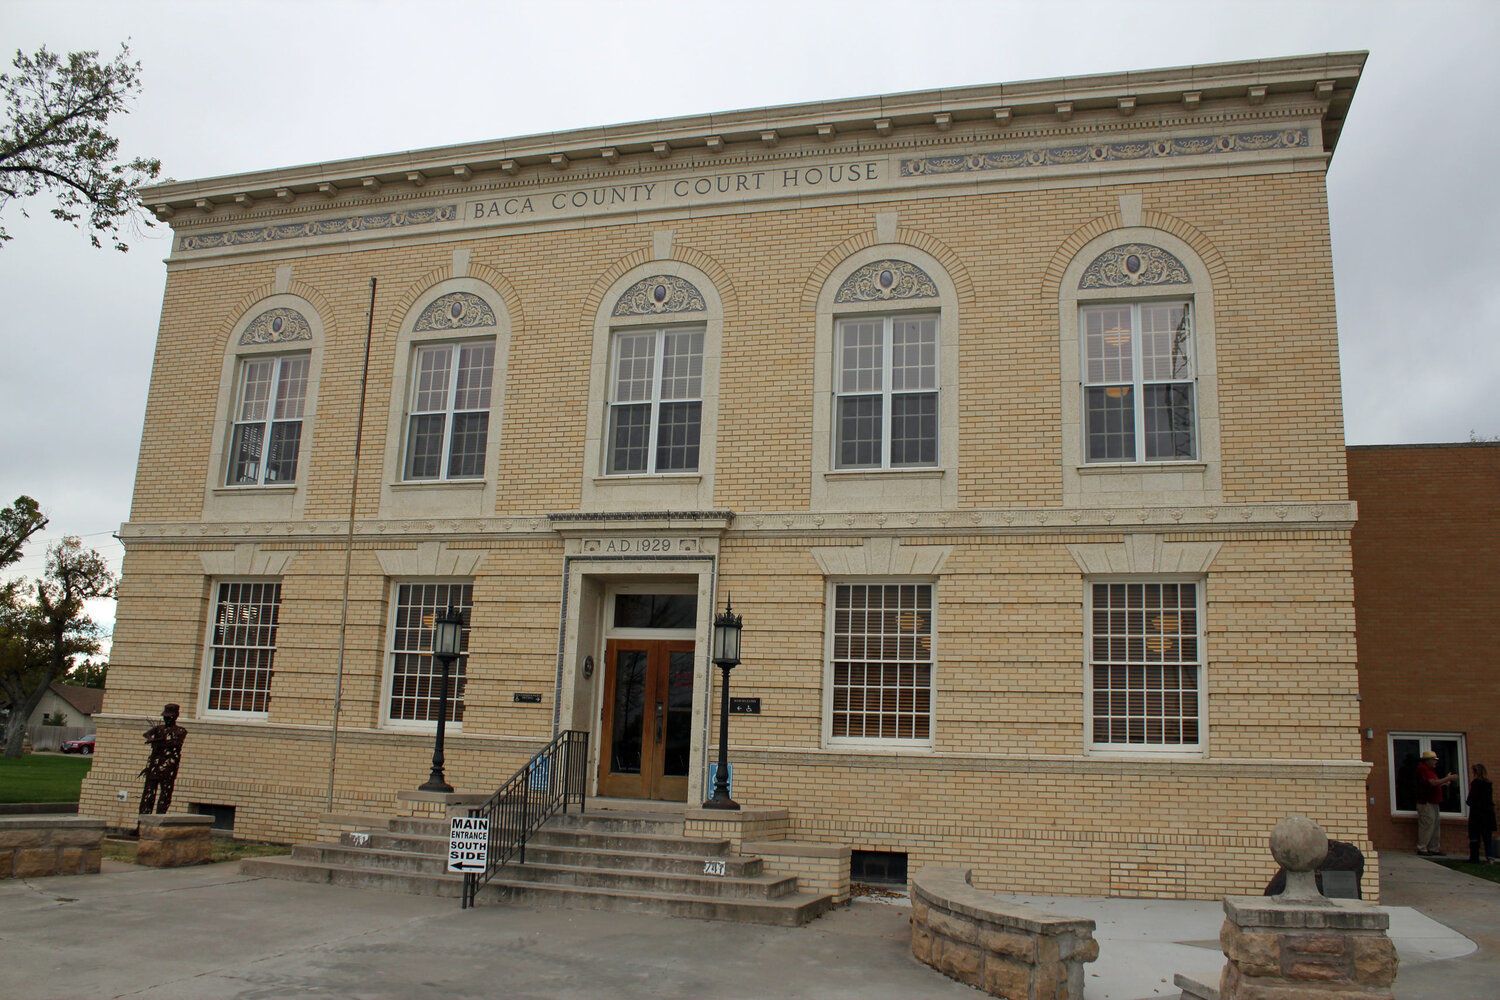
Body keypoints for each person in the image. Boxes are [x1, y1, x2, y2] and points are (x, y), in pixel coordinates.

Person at [139, 703, 187, 815]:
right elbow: (146, 734)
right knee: (148, 794)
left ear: (175, 716)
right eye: (165, 717)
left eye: (169, 717)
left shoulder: (180, 731)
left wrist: (160, 742)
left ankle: (160, 819)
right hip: (154, 766)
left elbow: (175, 743)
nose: (166, 719)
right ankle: (142, 822)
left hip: (168, 767)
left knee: (165, 794)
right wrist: (152, 738)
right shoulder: (159, 728)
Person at [1415, 749, 1457, 856]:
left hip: (1433, 801)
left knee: (1435, 824)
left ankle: (1434, 848)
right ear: (1427, 760)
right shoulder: (1423, 769)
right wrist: (1448, 778)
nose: (1435, 762)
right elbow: (1432, 783)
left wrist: (1444, 783)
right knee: (1427, 824)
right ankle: (1422, 847)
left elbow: (1433, 784)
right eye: (1433, 760)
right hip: (1426, 802)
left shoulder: (1430, 771)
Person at [1468, 763, 1497, 864]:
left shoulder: (1476, 783)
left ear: (1475, 773)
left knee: (1474, 837)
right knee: (1487, 838)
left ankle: (1474, 858)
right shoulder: (1488, 783)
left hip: (1477, 814)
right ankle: (1490, 857)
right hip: (1488, 814)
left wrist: (1470, 802)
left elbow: (1471, 799)